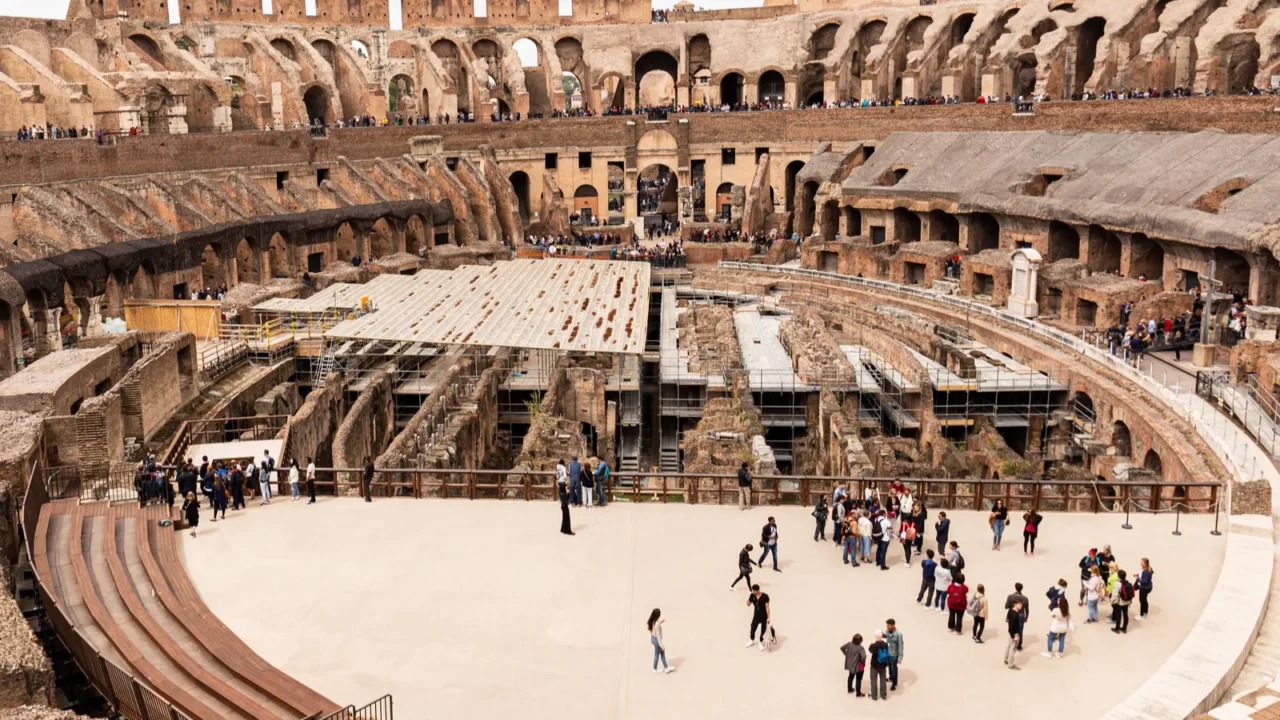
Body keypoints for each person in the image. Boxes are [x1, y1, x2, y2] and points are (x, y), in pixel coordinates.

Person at [647, 609, 674, 673]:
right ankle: (655, 668)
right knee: (658, 654)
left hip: (653, 638)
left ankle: (666, 667)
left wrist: (660, 622)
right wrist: (662, 646)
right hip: (657, 641)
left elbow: (654, 628)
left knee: (662, 654)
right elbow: (658, 636)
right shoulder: (657, 625)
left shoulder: (653, 621)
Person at [1005, 583, 1029, 650]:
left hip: (1012, 614)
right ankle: (1019, 646)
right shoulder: (1025, 598)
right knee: (1020, 630)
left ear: (1015, 588)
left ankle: (1011, 642)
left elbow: (1006, 606)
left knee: (1012, 628)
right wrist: (1026, 617)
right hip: (1021, 615)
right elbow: (1027, 610)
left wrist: (1011, 605)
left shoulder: (1010, 596)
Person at [867, 631, 890, 701]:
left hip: (874, 665)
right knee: (883, 680)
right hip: (883, 665)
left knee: (874, 680)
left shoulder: (873, 646)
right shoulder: (886, 644)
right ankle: (883, 695)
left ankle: (874, 696)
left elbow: (870, 650)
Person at [747, 585, 770, 651]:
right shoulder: (752, 595)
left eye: (754, 591)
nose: (753, 592)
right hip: (756, 616)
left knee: (763, 630)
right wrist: (748, 600)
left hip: (764, 616)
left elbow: (767, 607)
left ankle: (760, 642)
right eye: (752, 590)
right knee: (752, 628)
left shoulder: (765, 596)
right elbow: (748, 604)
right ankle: (751, 640)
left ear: (758, 590)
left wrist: (768, 618)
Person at [883, 619, 904, 691]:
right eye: (887, 625)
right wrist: (883, 635)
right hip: (888, 653)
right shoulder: (887, 631)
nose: (887, 627)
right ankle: (891, 678)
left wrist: (900, 657)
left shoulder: (898, 634)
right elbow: (887, 637)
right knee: (889, 666)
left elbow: (900, 646)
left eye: (888, 625)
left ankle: (894, 683)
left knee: (894, 669)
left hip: (894, 655)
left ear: (893, 625)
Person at [1111, 569, 1133, 634]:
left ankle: (1117, 628)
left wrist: (1112, 600)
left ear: (1118, 576)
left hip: (1119, 602)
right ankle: (1124, 628)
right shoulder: (1128, 582)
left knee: (1118, 615)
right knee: (1125, 614)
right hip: (1126, 602)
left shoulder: (1118, 583)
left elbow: (1115, 594)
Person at [1005, 600, 1025, 670]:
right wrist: (1014, 636)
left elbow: (1007, 619)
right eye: (1019, 605)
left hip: (1011, 632)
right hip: (1014, 633)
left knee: (1009, 645)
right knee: (1012, 649)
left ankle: (1006, 659)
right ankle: (1010, 664)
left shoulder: (1010, 610)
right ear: (1015, 604)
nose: (1021, 606)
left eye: (1021, 605)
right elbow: (1011, 627)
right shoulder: (1015, 615)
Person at [558, 470, 574, 535]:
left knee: (564, 518)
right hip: (565, 506)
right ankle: (568, 530)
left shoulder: (560, 492)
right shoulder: (563, 494)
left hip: (563, 506)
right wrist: (568, 493)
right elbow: (567, 499)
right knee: (567, 518)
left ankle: (563, 529)